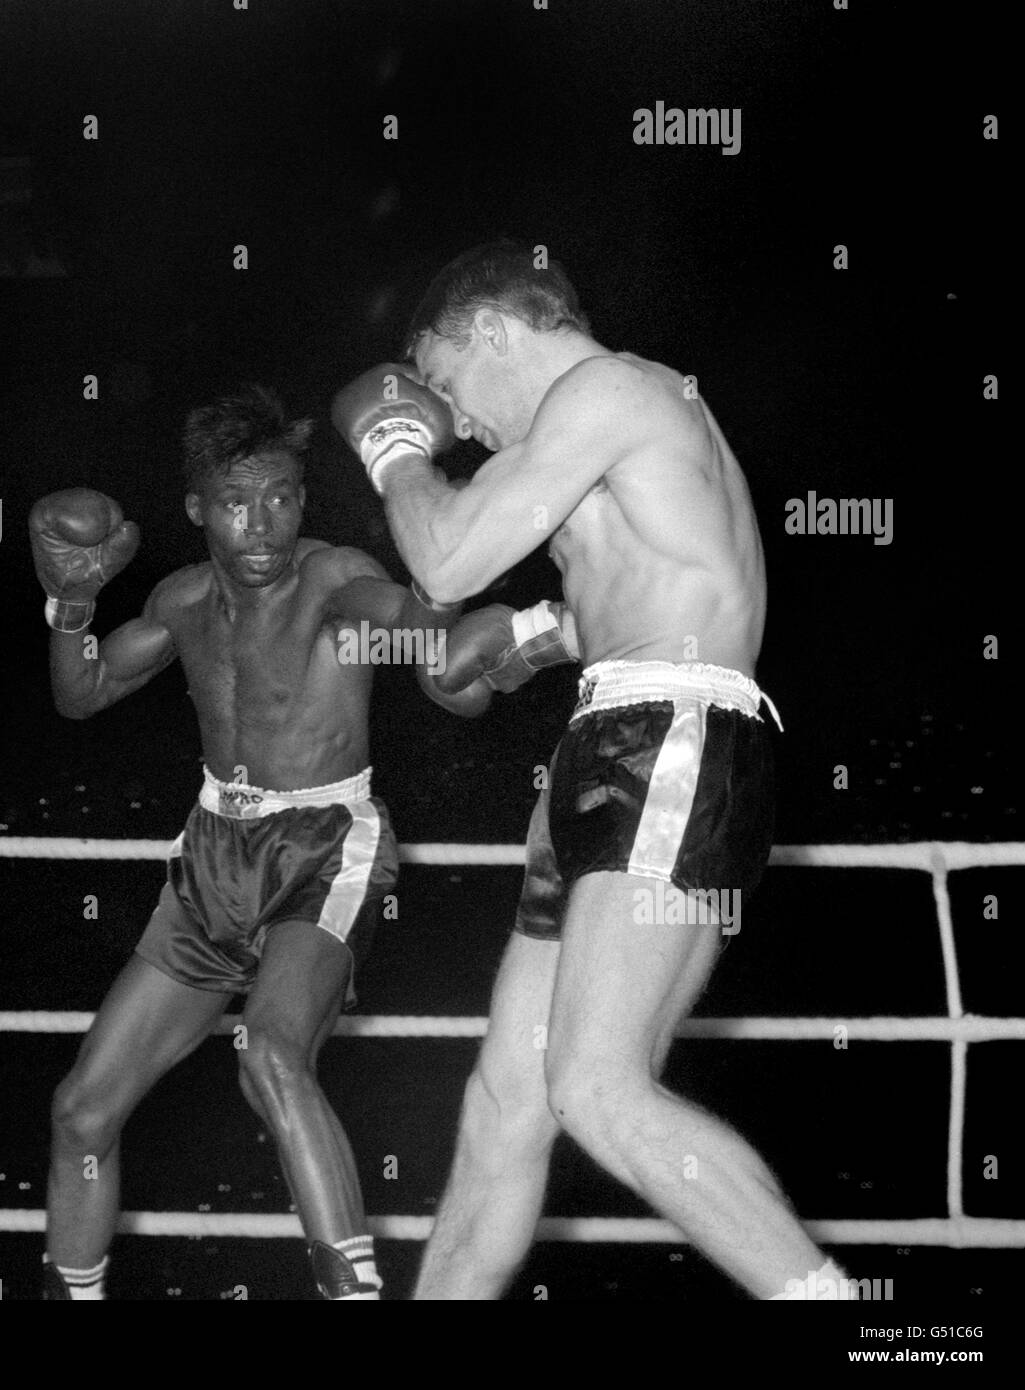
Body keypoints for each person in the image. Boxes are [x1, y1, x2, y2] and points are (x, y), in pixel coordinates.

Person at [332, 241, 853, 1300]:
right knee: (505, 1103)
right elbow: (651, 580)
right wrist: (531, 633)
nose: (454, 418)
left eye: (442, 380)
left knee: (596, 1085)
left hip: (677, 734)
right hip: (608, 741)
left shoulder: (610, 388)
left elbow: (444, 558)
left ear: (492, 328)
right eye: (427, 407)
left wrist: (394, 450)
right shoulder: (613, 430)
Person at [32, 384, 475, 1301]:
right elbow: (78, 696)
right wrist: (67, 607)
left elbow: (407, 620)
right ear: (198, 511)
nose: (263, 522)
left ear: (303, 499)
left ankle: (354, 1295)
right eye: (237, 502)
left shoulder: (331, 578)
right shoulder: (182, 599)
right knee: (81, 1112)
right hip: (210, 859)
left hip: (325, 845)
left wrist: (444, 607)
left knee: (270, 1053)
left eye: (281, 496)